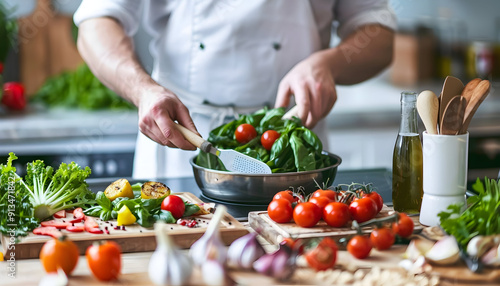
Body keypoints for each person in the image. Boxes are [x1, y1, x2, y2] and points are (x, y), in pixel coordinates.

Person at [74, 0, 396, 179]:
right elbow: (96, 21)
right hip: (184, 141)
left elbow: (379, 35)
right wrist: (143, 90)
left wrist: (331, 63)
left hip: (291, 146)